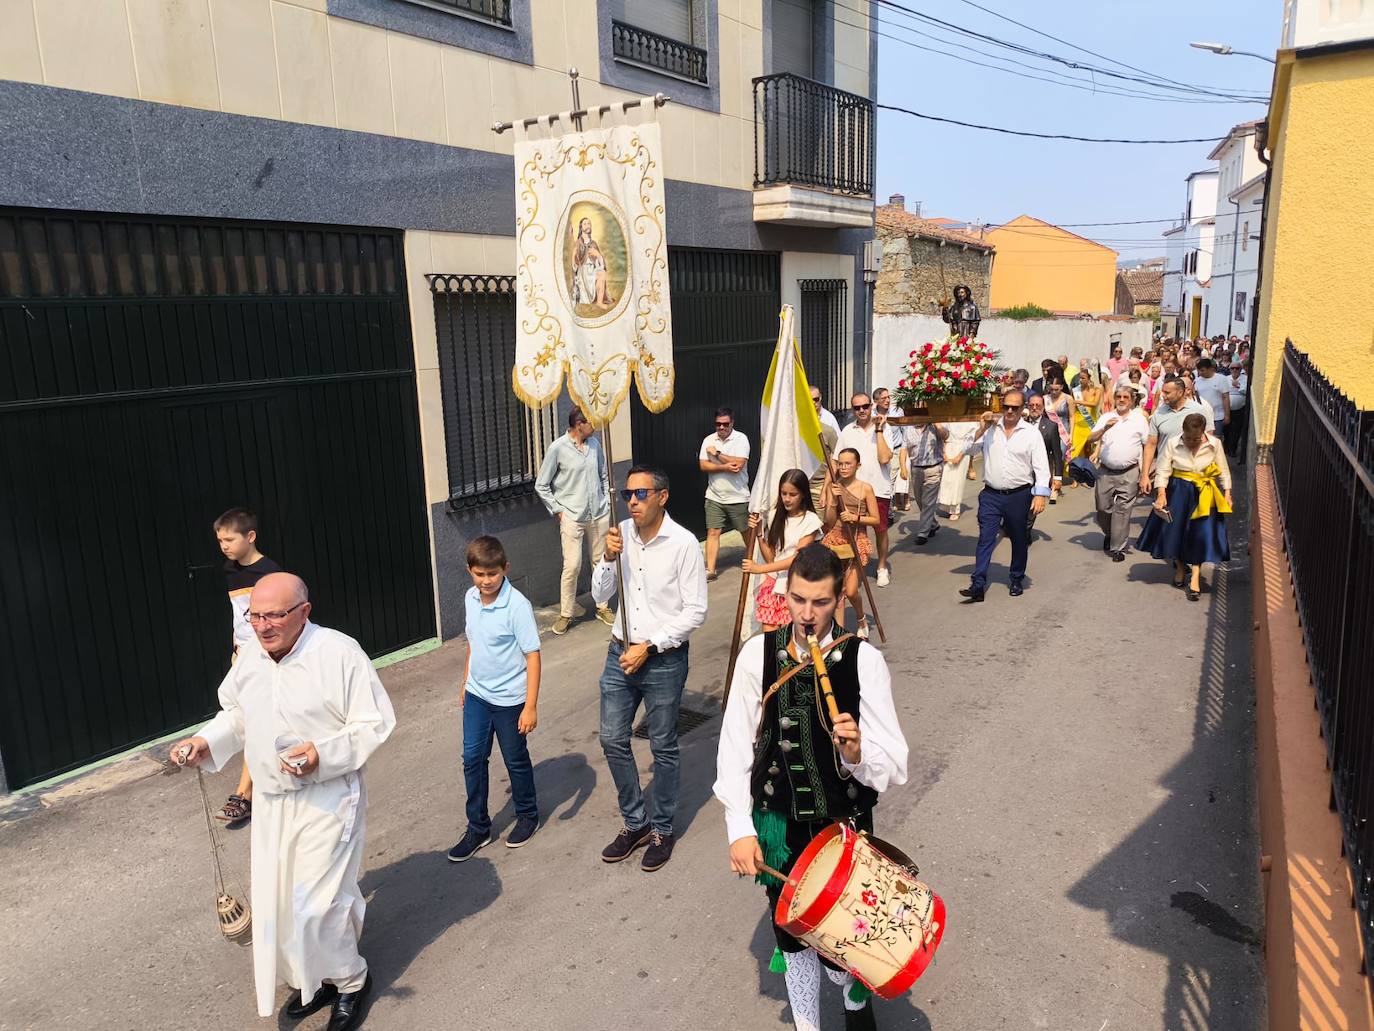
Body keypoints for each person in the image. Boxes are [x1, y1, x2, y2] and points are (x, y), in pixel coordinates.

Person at [170, 573, 394, 1029]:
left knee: (318, 903)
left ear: (304, 613)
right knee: (284, 905)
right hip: (273, 802)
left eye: (274, 615)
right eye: (255, 615)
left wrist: (322, 753)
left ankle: (351, 980)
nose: (262, 625)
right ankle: (315, 980)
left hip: (328, 797)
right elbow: (236, 714)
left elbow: (374, 722)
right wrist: (203, 741)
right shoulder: (251, 655)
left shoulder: (338, 653)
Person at [715, 543, 908, 1031]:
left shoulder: (863, 660)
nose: (807, 615)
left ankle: (856, 1005)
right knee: (792, 933)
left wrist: (857, 754)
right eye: (798, 600)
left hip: (841, 826)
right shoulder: (757, 653)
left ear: (840, 594)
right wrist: (739, 826)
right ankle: (807, 1025)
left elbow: (896, 765)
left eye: (820, 603)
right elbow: (736, 745)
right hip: (778, 822)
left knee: (846, 935)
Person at [593, 466, 708, 872]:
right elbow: (599, 595)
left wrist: (651, 645)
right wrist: (607, 558)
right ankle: (635, 822)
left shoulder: (683, 544)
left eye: (641, 493)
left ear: (663, 496)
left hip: (662, 658)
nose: (633, 501)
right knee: (611, 739)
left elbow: (696, 610)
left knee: (662, 746)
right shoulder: (619, 534)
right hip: (618, 651)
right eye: (628, 494)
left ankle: (662, 828)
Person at [447, 536, 541, 863]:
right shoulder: (471, 598)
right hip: (476, 695)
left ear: (505, 569)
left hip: (510, 700)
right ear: (470, 571)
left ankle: (528, 814)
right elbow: (474, 642)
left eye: (492, 574)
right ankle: (478, 827)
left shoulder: (517, 606)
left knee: (515, 759)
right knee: (472, 759)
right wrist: (465, 681)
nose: (486, 581)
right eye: (479, 574)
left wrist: (530, 706)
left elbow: (532, 656)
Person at [212, 508, 281, 827]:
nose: (223, 545)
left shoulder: (270, 574)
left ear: (250, 537)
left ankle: (244, 795)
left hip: (265, 657)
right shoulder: (230, 572)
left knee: (256, 722)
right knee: (255, 721)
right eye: (220, 540)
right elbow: (238, 617)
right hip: (242, 658)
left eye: (229, 539)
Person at [959, 390, 1051, 602]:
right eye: (1006, 407)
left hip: (1019, 495)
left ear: (1022, 409)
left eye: (1015, 408)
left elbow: (1041, 466)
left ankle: (1016, 577)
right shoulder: (991, 429)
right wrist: (981, 427)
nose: (1009, 411)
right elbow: (968, 449)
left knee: (1018, 538)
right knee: (985, 539)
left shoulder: (1031, 433)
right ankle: (978, 584)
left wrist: (1040, 494)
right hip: (991, 495)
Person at [1136, 413, 1233, 601]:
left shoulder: (1215, 444)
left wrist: (1227, 494)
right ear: (1183, 432)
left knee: (1200, 533)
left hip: (1204, 491)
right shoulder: (1173, 443)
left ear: (1203, 433)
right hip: (1179, 489)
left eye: (1195, 439)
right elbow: (1163, 469)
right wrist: (1162, 494)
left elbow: (1223, 470)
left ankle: (1195, 575)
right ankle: (1180, 567)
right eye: (1188, 438)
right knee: (1176, 531)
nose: (1191, 442)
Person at [535, 406, 613, 635]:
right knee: (572, 565)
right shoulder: (558, 448)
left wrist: (605, 501)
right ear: (579, 424)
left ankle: (602, 606)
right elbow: (541, 484)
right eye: (591, 423)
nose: (595, 427)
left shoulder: (595, 445)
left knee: (600, 563)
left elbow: (603, 473)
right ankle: (566, 614)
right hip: (572, 516)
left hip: (598, 514)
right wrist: (558, 511)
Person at [743, 470, 824, 632]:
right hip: (774, 583)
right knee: (770, 639)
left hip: (797, 584)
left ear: (802, 494)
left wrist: (759, 569)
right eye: (783, 493)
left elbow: (796, 559)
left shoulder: (811, 521)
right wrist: (759, 533)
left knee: (791, 639)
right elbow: (771, 558)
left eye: (792, 494)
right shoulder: (774, 516)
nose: (787, 499)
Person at [838, 392, 897, 587]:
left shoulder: (885, 428)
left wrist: (879, 430)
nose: (862, 410)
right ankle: (854, 567)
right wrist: (826, 488)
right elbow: (836, 460)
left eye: (865, 406)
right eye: (857, 408)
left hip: (878, 487)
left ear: (872, 406)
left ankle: (881, 566)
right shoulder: (847, 431)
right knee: (852, 530)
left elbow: (884, 458)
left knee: (880, 529)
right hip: (853, 489)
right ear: (852, 410)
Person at [821, 448, 879, 639]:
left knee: (852, 590)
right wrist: (832, 500)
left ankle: (861, 618)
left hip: (856, 540)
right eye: (841, 463)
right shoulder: (834, 486)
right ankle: (838, 632)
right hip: (836, 539)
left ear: (858, 466)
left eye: (848, 464)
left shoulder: (865, 488)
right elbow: (828, 521)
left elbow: (876, 520)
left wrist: (856, 517)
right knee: (837, 590)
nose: (844, 467)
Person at [1087, 387, 1150, 561]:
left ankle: (1118, 548)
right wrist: (1104, 429)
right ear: (1114, 398)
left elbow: (1147, 447)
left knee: (1123, 510)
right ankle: (1110, 533)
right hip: (1105, 471)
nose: (1122, 400)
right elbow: (1091, 439)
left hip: (1129, 472)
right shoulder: (1106, 417)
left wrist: (1144, 474)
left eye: (1125, 397)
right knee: (1102, 508)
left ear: (1131, 400)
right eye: (1119, 397)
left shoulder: (1139, 420)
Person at [699, 407, 751, 582]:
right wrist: (724, 466)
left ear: (732, 423)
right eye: (718, 424)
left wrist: (718, 454)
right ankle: (710, 569)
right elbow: (703, 465)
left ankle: (755, 558)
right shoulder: (708, 440)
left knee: (745, 530)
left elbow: (739, 465)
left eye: (725, 424)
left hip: (738, 496)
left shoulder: (741, 439)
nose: (721, 428)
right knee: (713, 531)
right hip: (714, 495)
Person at [1141, 376, 1210, 497]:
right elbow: (1151, 445)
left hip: (1192, 475)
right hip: (1165, 474)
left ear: (1180, 392)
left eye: (1167, 392)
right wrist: (1145, 475)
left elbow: (1209, 441)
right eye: (1163, 391)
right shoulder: (1159, 413)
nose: (1163, 395)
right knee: (1165, 512)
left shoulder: (1199, 410)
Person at [901, 421, 948, 545]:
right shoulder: (909, 428)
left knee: (928, 501)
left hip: (934, 468)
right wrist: (903, 468)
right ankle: (933, 524)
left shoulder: (935, 426)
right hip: (916, 468)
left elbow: (945, 436)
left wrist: (936, 423)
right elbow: (903, 449)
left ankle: (923, 533)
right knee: (920, 500)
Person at [1023, 396, 1064, 508]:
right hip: (1021, 473)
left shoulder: (1051, 427)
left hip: (1040, 473)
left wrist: (1058, 477)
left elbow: (1057, 454)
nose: (1034, 408)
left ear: (1043, 407)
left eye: (1038, 405)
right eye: (1031, 405)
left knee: (1034, 507)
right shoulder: (1020, 424)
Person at [874, 387, 908, 511]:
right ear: (876, 401)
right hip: (877, 452)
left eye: (888, 397)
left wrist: (903, 453)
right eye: (883, 398)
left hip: (895, 451)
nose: (887, 400)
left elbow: (905, 433)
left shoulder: (897, 411)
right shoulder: (872, 415)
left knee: (889, 481)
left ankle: (888, 513)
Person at [939, 421, 977, 520]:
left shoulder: (971, 422)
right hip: (949, 447)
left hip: (962, 450)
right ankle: (946, 506)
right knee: (947, 479)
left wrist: (960, 456)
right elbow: (944, 435)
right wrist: (944, 451)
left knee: (957, 481)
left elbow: (970, 441)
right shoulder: (950, 417)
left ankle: (955, 509)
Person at [1192, 357, 1231, 436]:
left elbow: (1225, 397)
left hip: (1217, 417)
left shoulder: (1221, 379)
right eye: (1199, 370)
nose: (1200, 372)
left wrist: (1227, 415)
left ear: (1210, 369)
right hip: (1202, 416)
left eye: (1202, 370)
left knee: (1215, 438)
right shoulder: (1196, 381)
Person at [1224, 360, 1249, 458]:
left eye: (1237, 368)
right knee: (1226, 430)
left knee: (1236, 430)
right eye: (1232, 368)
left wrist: (1237, 385)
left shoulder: (1245, 378)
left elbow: (1245, 391)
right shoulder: (1225, 379)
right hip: (1227, 409)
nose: (1234, 370)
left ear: (1240, 369)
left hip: (1239, 409)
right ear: (1229, 369)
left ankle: (1232, 450)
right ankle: (1226, 448)